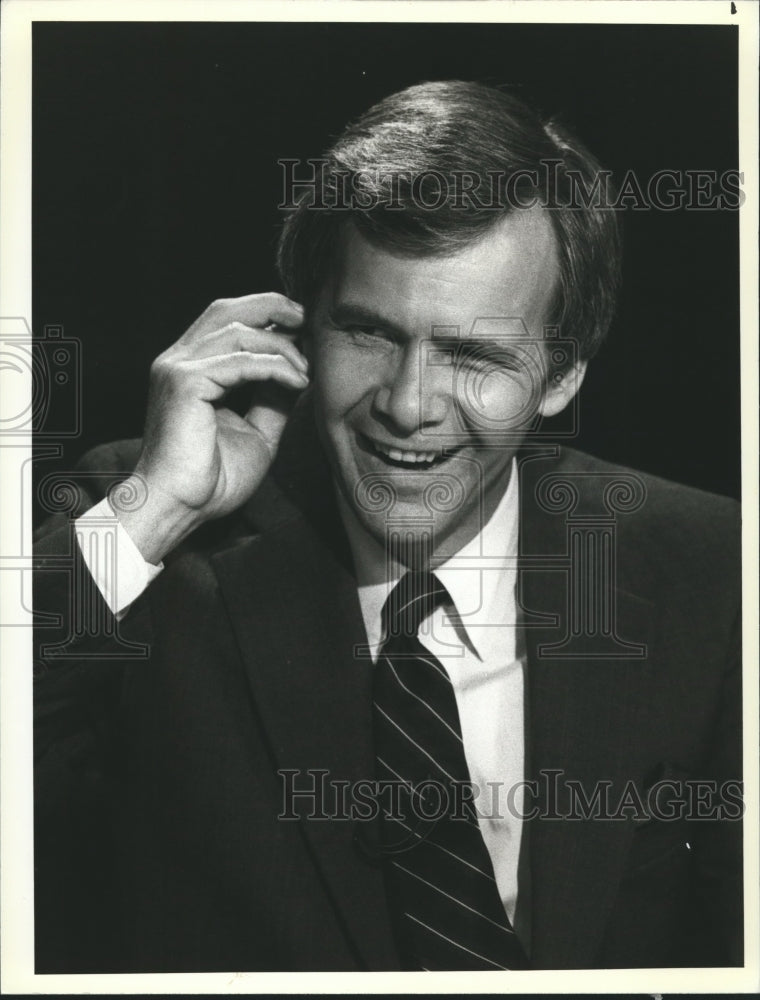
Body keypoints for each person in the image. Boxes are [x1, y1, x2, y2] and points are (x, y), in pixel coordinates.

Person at [33, 80, 742, 973]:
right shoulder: (146, 532)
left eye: (474, 354)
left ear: (560, 379)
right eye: (368, 334)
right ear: (300, 327)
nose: (408, 406)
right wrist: (158, 506)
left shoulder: (708, 570)